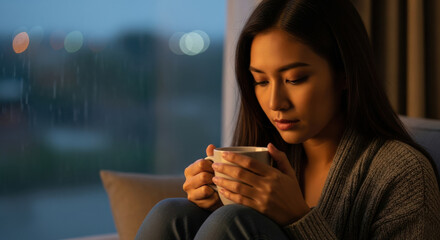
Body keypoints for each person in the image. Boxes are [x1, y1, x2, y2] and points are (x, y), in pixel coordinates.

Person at [135, 0, 440, 239]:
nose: (274, 103)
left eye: (295, 79)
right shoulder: (267, 154)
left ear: (344, 74)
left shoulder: (404, 173)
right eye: (261, 81)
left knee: (232, 223)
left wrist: (297, 219)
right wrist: (215, 206)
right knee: (172, 214)